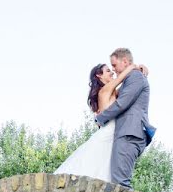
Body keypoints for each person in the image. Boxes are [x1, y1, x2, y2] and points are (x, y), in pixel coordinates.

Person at [54, 52, 152, 184]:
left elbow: (127, 90)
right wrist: (133, 67)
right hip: (111, 132)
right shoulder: (105, 90)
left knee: (104, 167)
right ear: (99, 75)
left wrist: (140, 69)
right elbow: (121, 81)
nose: (112, 72)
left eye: (112, 69)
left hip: (115, 132)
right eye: (108, 70)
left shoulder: (112, 91)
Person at [96, 48, 154, 188]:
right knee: (118, 183)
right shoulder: (130, 80)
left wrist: (99, 118)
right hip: (126, 133)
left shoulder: (135, 77)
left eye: (114, 66)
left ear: (125, 61)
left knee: (120, 185)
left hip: (129, 133)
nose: (114, 70)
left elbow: (122, 103)